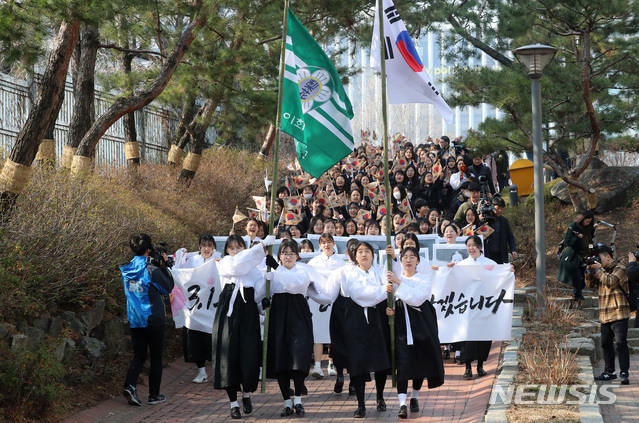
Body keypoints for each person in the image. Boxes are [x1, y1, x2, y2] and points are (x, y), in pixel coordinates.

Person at [266, 239, 332, 416]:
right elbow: (263, 294)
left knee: (299, 356)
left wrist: (276, 268)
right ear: (279, 255)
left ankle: (298, 400)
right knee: (281, 360)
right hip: (278, 317)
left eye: (292, 253)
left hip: (299, 316)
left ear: (297, 255)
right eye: (284, 253)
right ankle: (287, 402)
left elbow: (294, 285)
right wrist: (263, 302)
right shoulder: (270, 272)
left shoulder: (304, 271)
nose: (288, 257)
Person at [212, 234, 272, 419]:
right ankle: (233, 403)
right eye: (232, 248)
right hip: (228, 315)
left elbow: (257, 298)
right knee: (228, 356)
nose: (236, 251)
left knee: (248, 354)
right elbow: (237, 266)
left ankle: (246, 394)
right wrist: (261, 245)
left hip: (248, 316)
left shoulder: (254, 272)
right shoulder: (224, 264)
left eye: (239, 247)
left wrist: (266, 291)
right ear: (227, 250)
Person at [386, 247, 444, 418]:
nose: (408, 260)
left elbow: (415, 298)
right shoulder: (395, 279)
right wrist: (389, 310)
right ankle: (402, 403)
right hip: (401, 326)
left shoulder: (423, 279)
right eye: (405, 257)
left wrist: (398, 282)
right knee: (403, 362)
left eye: (412, 257)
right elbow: (389, 299)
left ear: (418, 261)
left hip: (421, 325)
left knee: (420, 362)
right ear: (401, 260)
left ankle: (415, 397)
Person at [120, 233, 175, 406]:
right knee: (156, 358)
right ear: (149, 250)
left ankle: (130, 386)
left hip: (135, 319)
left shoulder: (126, 270)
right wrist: (165, 266)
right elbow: (168, 287)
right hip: (153, 319)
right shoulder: (152, 271)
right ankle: (153, 395)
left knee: (139, 355)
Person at [452, 235, 513, 379]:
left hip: (484, 305)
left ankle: (480, 366)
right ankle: (467, 368)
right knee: (466, 337)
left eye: (474, 245)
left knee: (483, 337)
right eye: (468, 246)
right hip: (466, 307)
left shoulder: (490, 263)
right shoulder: (461, 265)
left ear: (480, 247)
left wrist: (508, 272)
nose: (471, 248)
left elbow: (498, 279)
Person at [341, 242, 390, 418]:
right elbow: (361, 296)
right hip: (357, 321)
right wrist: (382, 290)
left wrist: (383, 290)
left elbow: (391, 288)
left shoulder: (381, 271)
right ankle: (361, 404)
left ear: (372, 255)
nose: (364, 254)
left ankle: (380, 397)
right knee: (358, 362)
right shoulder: (351, 274)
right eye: (360, 252)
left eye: (367, 251)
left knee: (381, 361)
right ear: (355, 256)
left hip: (379, 320)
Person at [586, 245, 630, 385]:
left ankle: (624, 372)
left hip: (618, 312)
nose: (597, 261)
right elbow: (590, 285)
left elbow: (611, 282)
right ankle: (609, 371)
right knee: (605, 344)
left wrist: (598, 269)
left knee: (621, 343)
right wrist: (589, 270)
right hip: (605, 313)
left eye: (599, 259)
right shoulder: (601, 270)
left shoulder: (620, 268)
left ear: (607, 256)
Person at [181, 235, 220, 384]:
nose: (206, 248)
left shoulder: (219, 260)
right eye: (203, 245)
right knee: (196, 340)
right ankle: (201, 372)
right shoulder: (193, 261)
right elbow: (181, 276)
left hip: (212, 309)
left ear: (214, 247)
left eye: (210, 245)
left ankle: (218, 372)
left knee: (214, 341)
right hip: (196, 309)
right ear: (199, 247)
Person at [308, 234, 345, 379]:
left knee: (332, 332)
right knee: (318, 332)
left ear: (334, 243)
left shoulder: (341, 262)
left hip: (334, 301)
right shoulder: (314, 261)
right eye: (323, 243)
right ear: (320, 245)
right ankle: (317, 365)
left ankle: (331, 363)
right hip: (316, 301)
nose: (326, 245)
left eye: (329, 242)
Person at [557, 210, 596, 303]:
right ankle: (576, 296)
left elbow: (590, 242)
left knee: (585, 277)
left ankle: (577, 294)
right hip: (573, 257)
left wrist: (591, 251)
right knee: (577, 278)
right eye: (587, 221)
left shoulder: (589, 229)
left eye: (590, 222)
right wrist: (577, 238)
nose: (588, 223)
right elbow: (568, 242)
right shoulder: (573, 226)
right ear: (582, 219)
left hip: (585, 256)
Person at [482, 197, 518, 264]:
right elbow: (481, 236)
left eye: (501, 209)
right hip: (488, 254)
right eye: (498, 208)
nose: (499, 210)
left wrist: (513, 249)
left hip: (501, 254)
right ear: (492, 206)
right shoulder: (486, 220)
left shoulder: (504, 221)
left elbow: (510, 237)